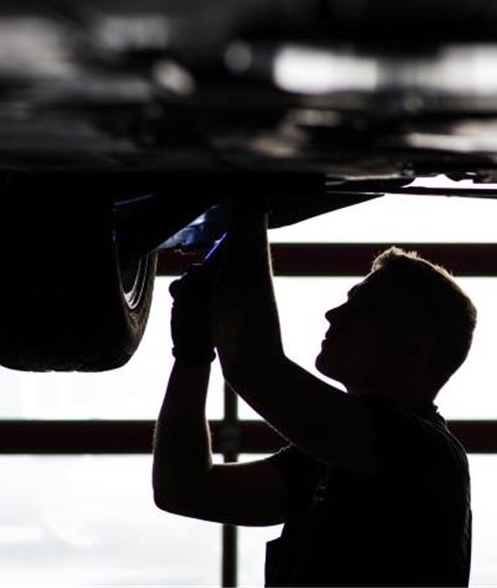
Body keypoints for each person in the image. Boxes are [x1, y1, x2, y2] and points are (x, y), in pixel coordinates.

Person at [151, 207, 477, 586]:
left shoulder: (419, 452)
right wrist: (192, 357)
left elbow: (255, 367)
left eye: (361, 306)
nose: (332, 314)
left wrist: (248, 207)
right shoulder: (344, 458)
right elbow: (186, 489)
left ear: (414, 349)